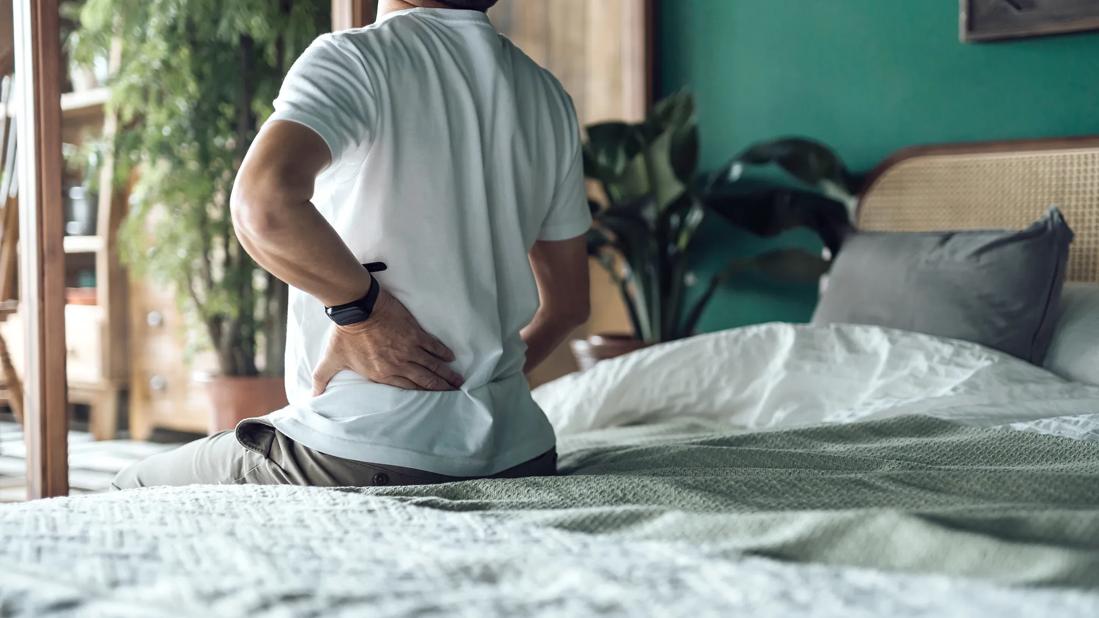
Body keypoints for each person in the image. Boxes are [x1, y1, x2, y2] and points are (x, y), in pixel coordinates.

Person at [111, 0, 591, 489]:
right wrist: (484, 383)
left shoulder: (358, 58)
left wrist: (364, 314)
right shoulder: (548, 96)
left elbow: (263, 207)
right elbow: (569, 304)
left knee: (127, 487)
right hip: (520, 453)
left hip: (366, 448)